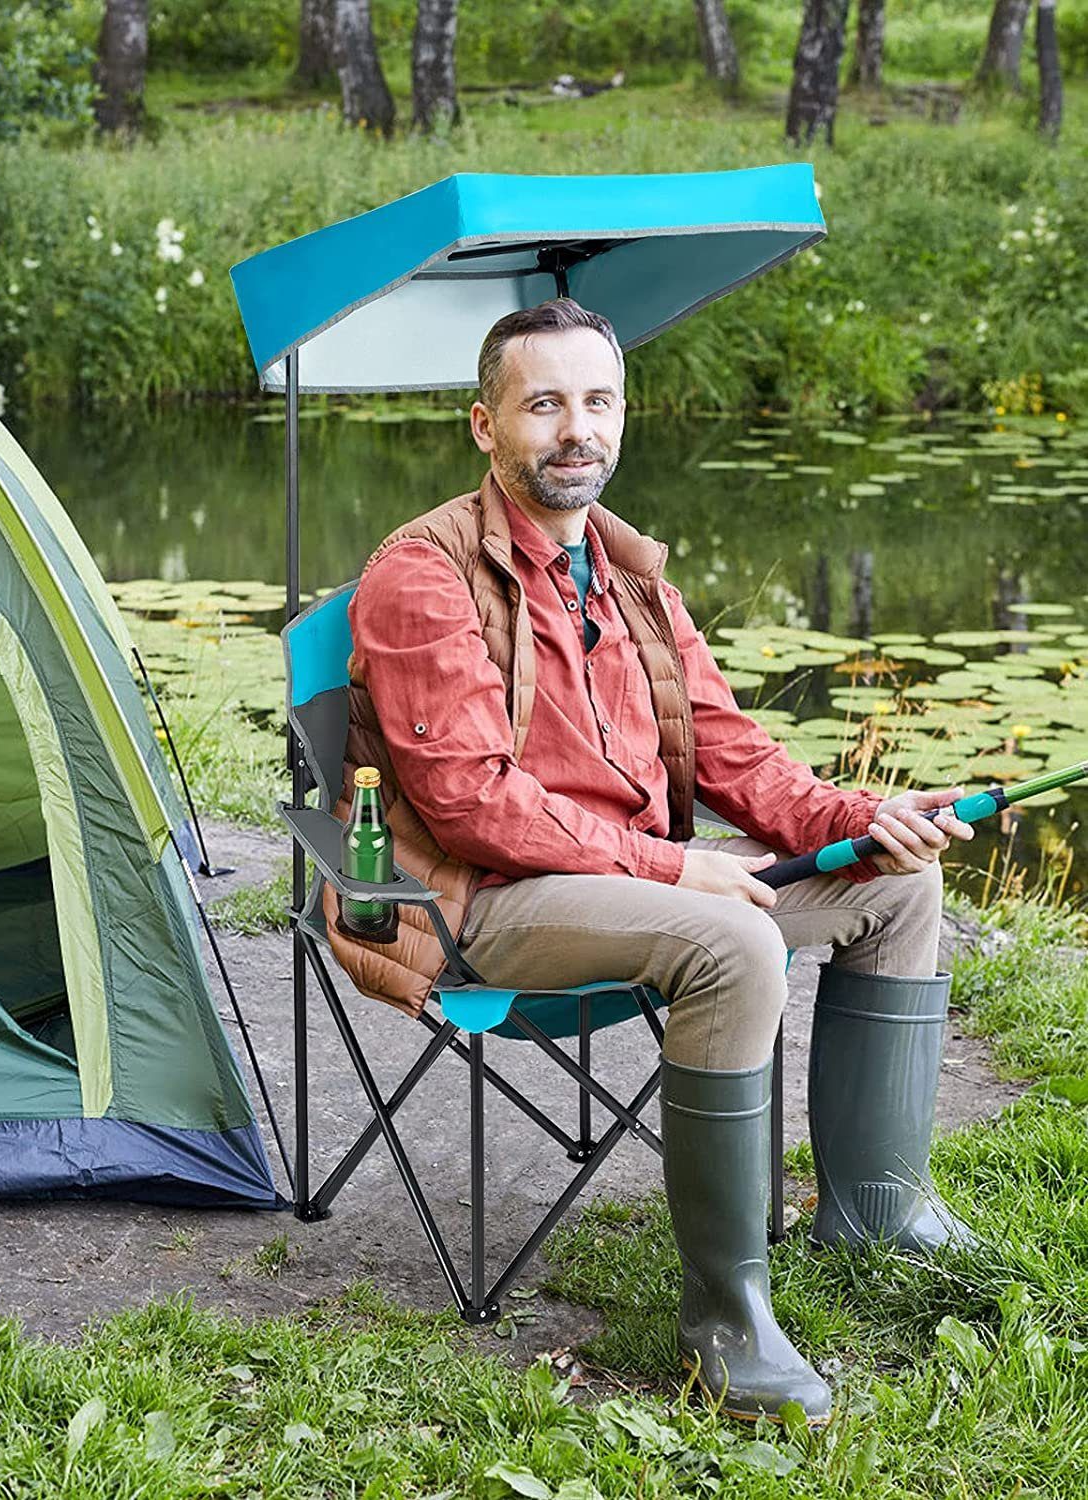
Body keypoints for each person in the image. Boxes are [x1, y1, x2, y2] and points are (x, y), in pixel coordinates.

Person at [326, 298, 976, 1424]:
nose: (576, 429)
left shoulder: (631, 580)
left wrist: (868, 813)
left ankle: (878, 1207)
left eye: (597, 401)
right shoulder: (421, 575)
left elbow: (733, 755)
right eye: (545, 405)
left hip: (627, 885)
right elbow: (474, 807)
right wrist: (678, 873)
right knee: (726, 934)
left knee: (899, 883)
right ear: (487, 425)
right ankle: (728, 1320)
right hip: (486, 905)